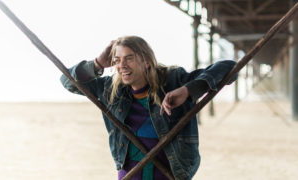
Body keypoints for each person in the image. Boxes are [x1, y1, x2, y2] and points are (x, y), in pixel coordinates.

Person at [60, 36, 237, 180]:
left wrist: (188, 90)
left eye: (129, 58)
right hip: (129, 175)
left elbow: (231, 68)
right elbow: (67, 82)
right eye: (117, 60)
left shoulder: (174, 80)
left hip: (169, 174)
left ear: (146, 61)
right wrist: (98, 63)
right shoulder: (110, 89)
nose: (122, 65)